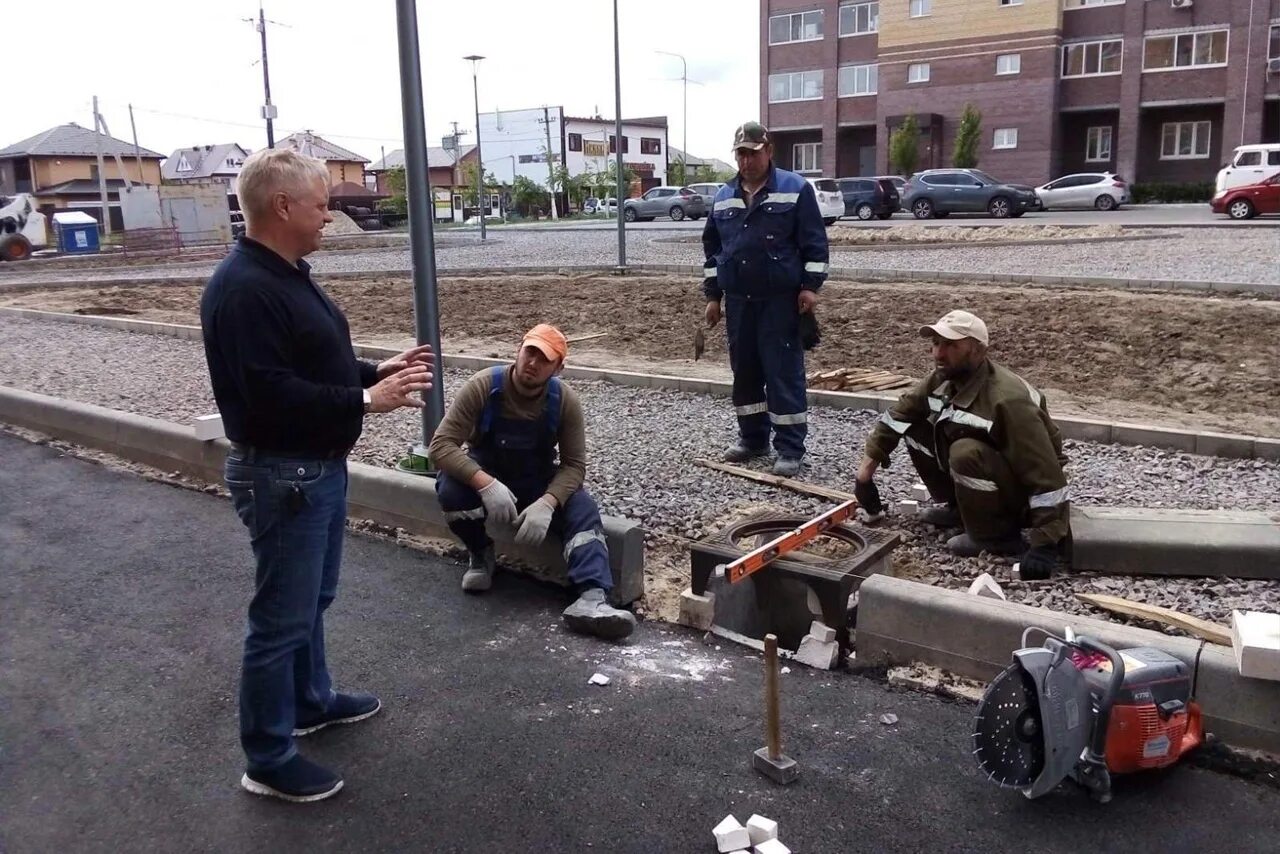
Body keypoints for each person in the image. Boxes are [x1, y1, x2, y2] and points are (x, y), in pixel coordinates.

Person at [201, 148, 434, 803]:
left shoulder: (285, 273)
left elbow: (313, 363)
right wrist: (365, 401)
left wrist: (374, 373)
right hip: (284, 475)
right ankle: (269, 757)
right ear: (282, 206)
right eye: (321, 203)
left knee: (311, 602)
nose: (329, 215)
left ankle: (309, 700)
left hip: (313, 472)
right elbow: (271, 393)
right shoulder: (244, 288)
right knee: (279, 619)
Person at [428, 324, 636, 641]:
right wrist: (485, 483)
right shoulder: (483, 386)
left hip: (535, 479)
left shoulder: (564, 401)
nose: (533, 364)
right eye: (530, 352)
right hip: (491, 473)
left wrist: (548, 502)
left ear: (559, 367)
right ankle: (481, 553)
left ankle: (592, 597)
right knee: (451, 490)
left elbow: (574, 466)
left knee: (582, 507)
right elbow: (441, 446)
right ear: (519, 350)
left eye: (545, 359)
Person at [853, 310, 1069, 578]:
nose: (938, 354)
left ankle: (996, 536)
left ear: (978, 350)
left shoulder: (1008, 401)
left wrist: (1045, 543)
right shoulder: (944, 379)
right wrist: (864, 476)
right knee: (916, 428)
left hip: (1020, 496)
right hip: (993, 476)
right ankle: (962, 509)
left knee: (965, 452)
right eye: (936, 344)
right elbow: (899, 415)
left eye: (951, 346)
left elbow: (1046, 475)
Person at [702, 121, 830, 478]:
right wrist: (713, 296)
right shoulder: (723, 196)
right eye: (741, 154)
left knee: (782, 373)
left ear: (768, 151)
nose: (746, 161)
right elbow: (713, 249)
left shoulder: (795, 189)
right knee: (746, 373)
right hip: (739, 302)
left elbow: (815, 245)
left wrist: (810, 286)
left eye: (752, 153)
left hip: (779, 301)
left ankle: (789, 448)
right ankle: (752, 437)